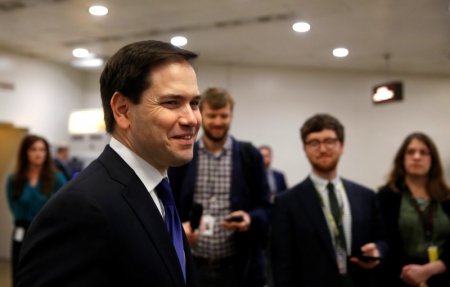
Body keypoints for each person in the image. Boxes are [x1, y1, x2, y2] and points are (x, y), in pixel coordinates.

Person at [16, 40, 202, 287]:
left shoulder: (157, 192)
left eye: (194, 103)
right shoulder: (81, 208)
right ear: (123, 110)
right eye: (171, 102)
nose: (191, 118)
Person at [168, 87, 271, 287]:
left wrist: (250, 218)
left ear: (231, 115)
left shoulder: (250, 155)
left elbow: (266, 207)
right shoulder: (183, 154)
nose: (217, 122)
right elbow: (168, 205)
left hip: (238, 267)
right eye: (212, 115)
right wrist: (179, 228)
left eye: (224, 116)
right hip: (192, 265)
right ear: (200, 115)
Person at [270, 113, 387, 287]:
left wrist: (378, 250)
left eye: (329, 141)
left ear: (342, 146)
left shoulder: (366, 196)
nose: (323, 149)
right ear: (305, 149)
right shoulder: (286, 202)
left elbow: (383, 240)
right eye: (314, 143)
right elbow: (281, 262)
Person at [377, 132, 450, 286]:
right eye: (411, 152)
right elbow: (386, 242)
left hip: (443, 274)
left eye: (423, 152)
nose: (417, 157)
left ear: (433, 160)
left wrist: (432, 269)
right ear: (402, 159)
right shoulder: (387, 196)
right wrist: (414, 275)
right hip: (401, 277)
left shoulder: (446, 196)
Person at [6, 134, 67, 286]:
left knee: (42, 275)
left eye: (42, 150)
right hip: (21, 232)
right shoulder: (14, 179)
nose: (39, 153)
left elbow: (67, 203)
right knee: (19, 273)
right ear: (25, 152)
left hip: (45, 233)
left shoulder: (56, 177)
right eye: (34, 149)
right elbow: (13, 205)